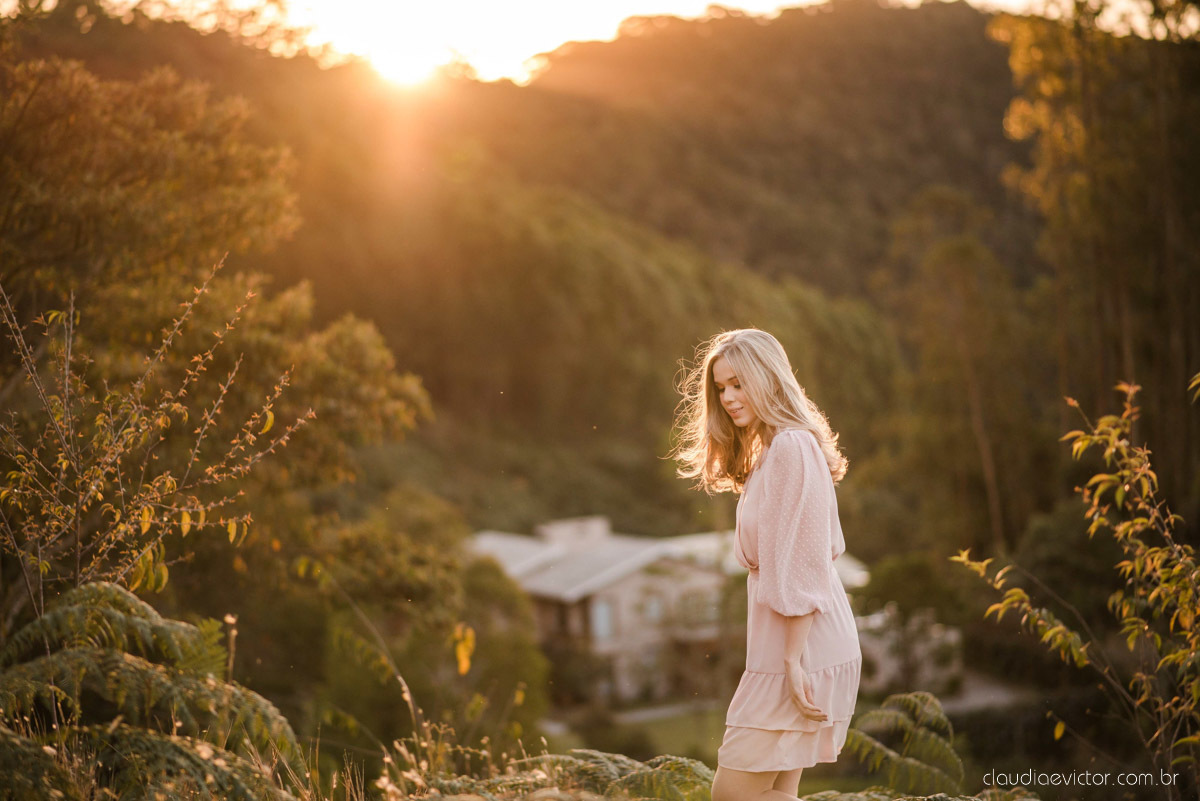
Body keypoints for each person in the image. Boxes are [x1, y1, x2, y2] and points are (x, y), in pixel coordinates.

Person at [670, 328, 861, 801]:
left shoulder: (791, 448)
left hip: (800, 645)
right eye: (721, 388)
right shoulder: (773, 451)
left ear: (769, 379)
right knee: (775, 793)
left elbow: (803, 562)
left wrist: (793, 660)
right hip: (787, 642)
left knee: (731, 795)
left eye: (738, 383)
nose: (729, 398)